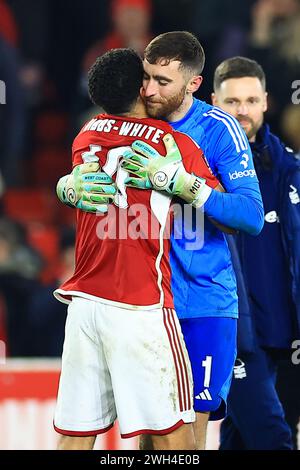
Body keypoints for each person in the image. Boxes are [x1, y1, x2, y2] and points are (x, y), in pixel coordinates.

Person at [57, 32, 264, 450]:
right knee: (150, 440)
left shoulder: (215, 130)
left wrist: (185, 186)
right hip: (144, 302)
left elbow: (251, 216)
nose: (149, 89)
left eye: (163, 82)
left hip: (201, 302)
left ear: (192, 84)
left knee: (189, 434)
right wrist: (66, 185)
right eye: (146, 77)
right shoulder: (129, 127)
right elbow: (90, 171)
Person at [211, 56, 300, 449]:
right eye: (232, 102)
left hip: (286, 336)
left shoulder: (289, 169)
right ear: (214, 102)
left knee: (239, 441)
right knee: (274, 438)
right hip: (235, 338)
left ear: (266, 101)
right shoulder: (200, 172)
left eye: (250, 100)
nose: (242, 111)